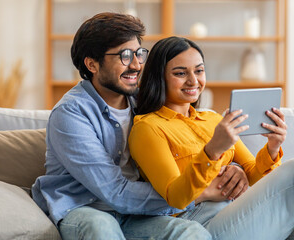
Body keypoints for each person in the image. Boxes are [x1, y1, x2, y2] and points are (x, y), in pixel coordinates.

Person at [128, 36, 294, 240]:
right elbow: (175, 198)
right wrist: (213, 151)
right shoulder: (148, 128)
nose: (193, 80)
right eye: (180, 73)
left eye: (199, 71)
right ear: (159, 77)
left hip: (244, 213)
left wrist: (272, 147)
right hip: (203, 224)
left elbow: (253, 175)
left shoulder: (212, 119)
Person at [31, 14, 212, 240]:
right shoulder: (70, 113)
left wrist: (231, 166)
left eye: (139, 54)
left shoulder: (144, 101)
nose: (136, 65)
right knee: (101, 228)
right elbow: (113, 192)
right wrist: (194, 194)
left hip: (135, 213)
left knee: (190, 233)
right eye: (124, 56)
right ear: (92, 64)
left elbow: (191, 136)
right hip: (85, 208)